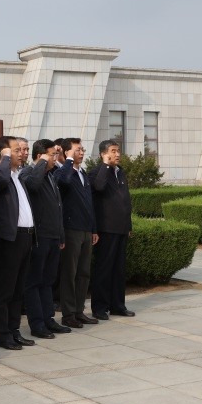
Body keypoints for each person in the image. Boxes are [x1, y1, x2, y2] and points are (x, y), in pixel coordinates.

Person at [0, 137, 37, 350]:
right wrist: (6, 159)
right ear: (4, 153)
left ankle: (14, 330)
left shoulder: (18, 176)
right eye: (15, 150)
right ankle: (3, 334)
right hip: (9, 240)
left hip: (25, 237)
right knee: (5, 290)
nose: (21, 153)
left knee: (18, 289)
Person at [22, 139, 72, 339]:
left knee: (48, 280)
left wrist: (60, 235)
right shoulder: (29, 172)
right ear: (39, 156)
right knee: (34, 281)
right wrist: (43, 161)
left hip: (53, 236)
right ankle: (37, 323)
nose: (54, 158)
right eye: (51, 155)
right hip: (39, 236)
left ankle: (48, 318)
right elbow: (33, 185)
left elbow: (58, 207)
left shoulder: (51, 175)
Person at [53, 137, 97, 328]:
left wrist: (93, 228)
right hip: (71, 229)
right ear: (66, 152)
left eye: (82, 149)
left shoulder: (82, 173)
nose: (81, 152)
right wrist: (68, 160)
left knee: (84, 273)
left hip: (86, 229)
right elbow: (61, 181)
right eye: (77, 150)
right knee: (69, 273)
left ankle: (79, 311)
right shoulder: (63, 171)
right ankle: (68, 314)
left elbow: (89, 203)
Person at [89, 139, 134, 320]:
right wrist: (106, 166)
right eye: (113, 151)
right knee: (104, 269)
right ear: (103, 154)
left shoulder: (120, 172)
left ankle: (118, 305)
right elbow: (99, 187)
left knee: (119, 269)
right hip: (106, 229)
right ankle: (99, 307)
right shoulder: (96, 172)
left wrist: (128, 225)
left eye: (118, 151)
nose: (117, 154)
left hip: (121, 228)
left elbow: (125, 200)